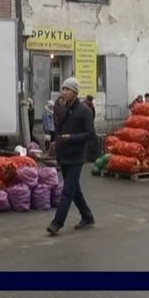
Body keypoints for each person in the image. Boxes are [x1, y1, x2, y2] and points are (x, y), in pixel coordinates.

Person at [47, 77, 95, 236]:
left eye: (67, 89)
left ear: (75, 92)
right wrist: (57, 142)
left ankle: (57, 223)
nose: (64, 92)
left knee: (67, 190)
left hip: (76, 156)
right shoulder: (62, 108)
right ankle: (87, 217)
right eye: (63, 89)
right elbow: (59, 129)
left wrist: (71, 138)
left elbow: (90, 134)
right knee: (75, 190)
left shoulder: (84, 111)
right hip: (64, 154)